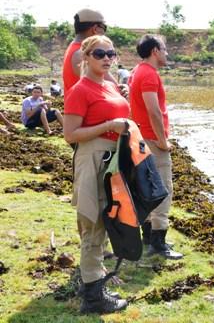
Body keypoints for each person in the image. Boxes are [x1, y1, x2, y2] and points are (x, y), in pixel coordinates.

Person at [63, 35, 128, 314]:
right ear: (85, 58)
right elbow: (70, 135)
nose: (106, 58)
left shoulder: (109, 85)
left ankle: (94, 283)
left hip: (114, 157)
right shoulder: (81, 89)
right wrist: (108, 124)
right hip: (93, 158)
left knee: (108, 219)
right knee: (93, 223)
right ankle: (93, 296)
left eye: (110, 54)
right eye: (99, 53)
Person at [128, 34, 182, 260]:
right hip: (151, 139)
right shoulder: (149, 75)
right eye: (164, 48)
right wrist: (162, 140)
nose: (167, 53)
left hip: (140, 138)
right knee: (163, 189)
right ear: (155, 51)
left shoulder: (137, 72)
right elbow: (154, 110)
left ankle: (149, 236)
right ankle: (158, 241)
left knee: (147, 187)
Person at [62, 8, 120, 96]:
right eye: (104, 27)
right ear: (95, 29)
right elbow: (114, 91)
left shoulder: (75, 48)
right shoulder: (83, 53)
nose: (104, 32)